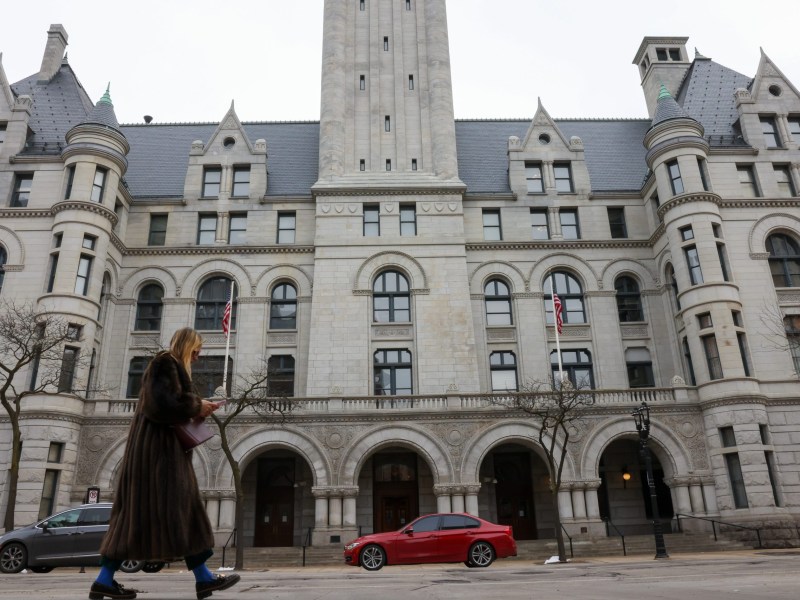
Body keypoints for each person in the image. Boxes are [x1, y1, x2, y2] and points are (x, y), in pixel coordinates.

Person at [89, 328, 240, 600]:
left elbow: (170, 407)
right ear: (186, 346)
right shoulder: (164, 363)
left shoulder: (171, 368)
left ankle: (106, 580)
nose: (198, 356)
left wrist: (199, 408)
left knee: (153, 514)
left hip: (161, 454)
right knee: (172, 509)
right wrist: (197, 405)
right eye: (196, 350)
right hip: (157, 456)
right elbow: (161, 405)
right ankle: (202, 578)